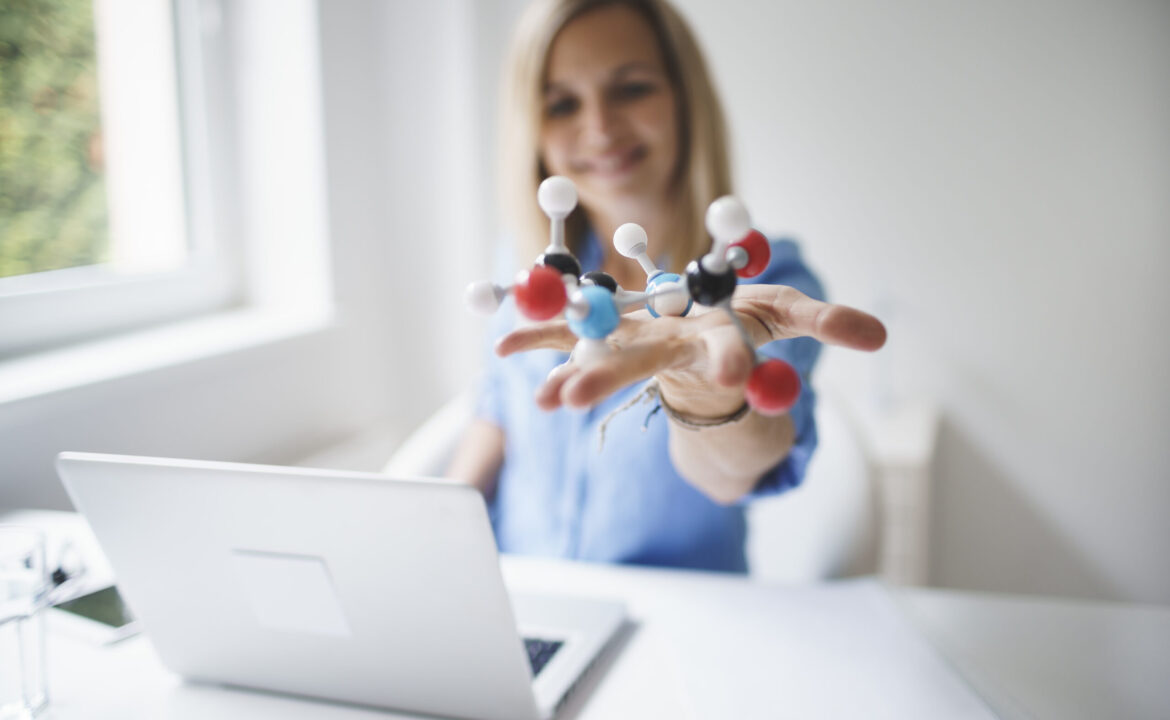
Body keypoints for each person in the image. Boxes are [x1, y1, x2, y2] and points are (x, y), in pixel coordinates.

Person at [448, 0, 886, 572]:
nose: (599, 128)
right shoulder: (535, 272)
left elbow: (735, 473)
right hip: (523, 601)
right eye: (562, 103)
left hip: (674, 628)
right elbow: (499, 409)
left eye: (631, 88)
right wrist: (438, 528)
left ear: (684, 98)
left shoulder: (758, 281)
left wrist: (705, 393)